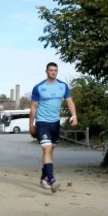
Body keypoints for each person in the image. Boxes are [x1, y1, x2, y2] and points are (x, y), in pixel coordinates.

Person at [29, 62, 78, 193]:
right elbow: (33, 107)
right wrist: (31, 125)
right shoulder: (39, 87)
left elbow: (69, 101)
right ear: (46, 71)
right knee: (47, 149)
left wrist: (74, 116)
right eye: (51, 70)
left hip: (55, 124)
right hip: (42, 123)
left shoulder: (63, 86)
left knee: (50, 151)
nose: (53, 72)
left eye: (55, 70)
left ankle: (44, 176)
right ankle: (51, 179)